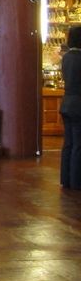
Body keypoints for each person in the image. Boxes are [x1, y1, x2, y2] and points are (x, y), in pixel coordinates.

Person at [60, 26, 81, 190]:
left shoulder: (66, 57)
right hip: (78, 105)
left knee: (68, 143)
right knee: (78, 144)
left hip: (66, 102)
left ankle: (65, 179)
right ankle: (76, 181)